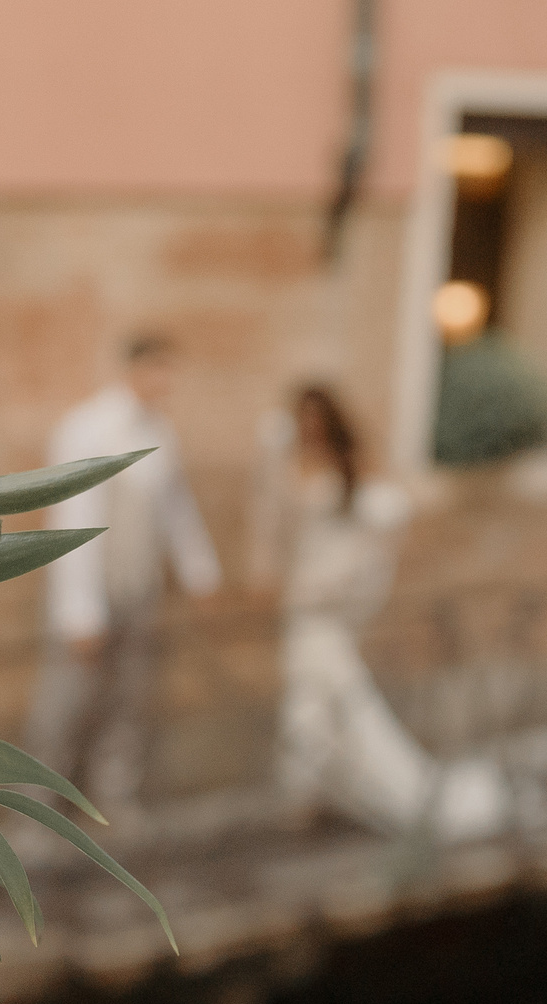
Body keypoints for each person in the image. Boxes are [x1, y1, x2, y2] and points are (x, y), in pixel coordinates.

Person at [248, 383, 510, 840]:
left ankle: (307, 792)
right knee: (314, 695)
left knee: (320, 695)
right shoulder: (294, 463)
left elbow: (383, 515)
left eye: (315, 417)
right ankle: (310, 791)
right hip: (302, 598)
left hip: (327, 605)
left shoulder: (351, 469)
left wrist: (349, 584)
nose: (309, 426)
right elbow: (273, 522)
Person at [25, 333, 222, 820]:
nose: (167, 382)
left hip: (140, 584)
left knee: (131, 694)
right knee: (67, 699)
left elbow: (175, 505)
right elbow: (72, 516)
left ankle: (113, 796)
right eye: (159, 370)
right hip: (94, 587)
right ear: (135, 368)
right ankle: (37, 805)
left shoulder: (161, 431)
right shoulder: (87, 427)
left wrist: (200, 572)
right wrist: (80, 610)